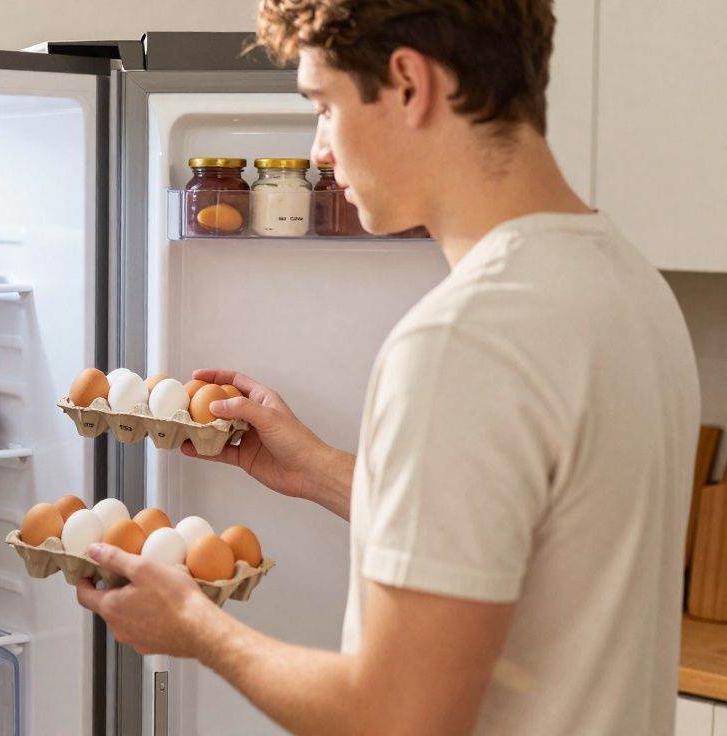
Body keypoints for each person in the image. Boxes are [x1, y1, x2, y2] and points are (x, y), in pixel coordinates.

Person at [75, 1, 701, 733]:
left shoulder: (463, 339)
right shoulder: (627, 282)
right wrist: (316, 469)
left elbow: (396, 716)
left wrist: (194, 627)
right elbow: (530, 541)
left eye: (324, 106)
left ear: (409, 83)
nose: (318, 152)